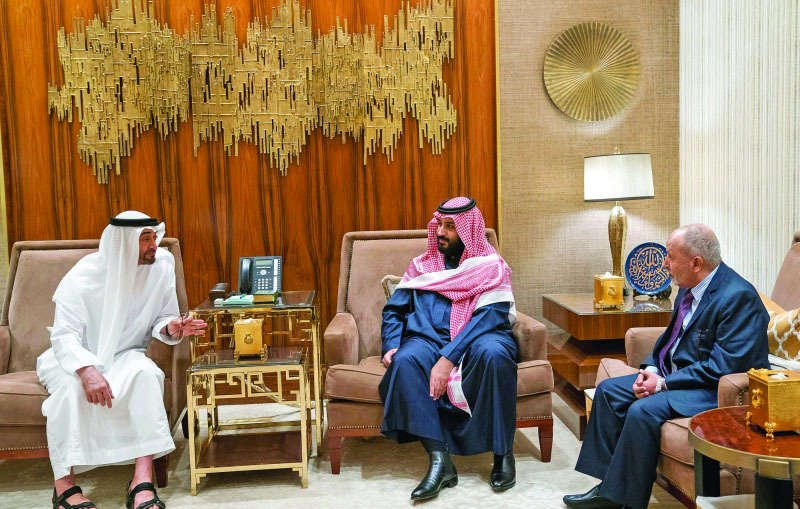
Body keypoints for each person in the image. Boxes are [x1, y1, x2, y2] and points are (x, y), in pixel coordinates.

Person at [563, 224, 769, 509]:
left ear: (696, 263)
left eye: (670, 257)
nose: (664, 264)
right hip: (677, 378)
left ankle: (624, 500)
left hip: (712, 390)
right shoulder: (688, 288)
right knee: (609, 392)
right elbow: (669, 340)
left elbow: (723, 367)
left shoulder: (738, 297)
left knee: (643, 410)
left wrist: (662, 384)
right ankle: (610, 488)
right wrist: (652, 370)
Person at [38, 211, 207, 509]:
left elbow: (164, 317)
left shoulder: (162, 265)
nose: (153, 245)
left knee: (146, 375)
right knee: (68, 391)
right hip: (75, 356)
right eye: (145, 239)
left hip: (126, 355)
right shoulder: (84, 275)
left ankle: (141, 482)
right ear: (123, 242)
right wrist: (86, 370)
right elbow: (64, 336)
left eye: (154, 237)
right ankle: (64, 487)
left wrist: (172, 327)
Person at [378, 196, 518, 501]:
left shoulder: (491, 267)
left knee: (495, 355)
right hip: (427, 340)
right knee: (406, 359)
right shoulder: (421, 267)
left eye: (450, 226)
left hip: (478, 339)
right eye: (439, 224)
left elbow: (490, 317)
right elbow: (394, 311)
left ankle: (503, 453)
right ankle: (440, 460)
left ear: (469, 230)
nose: (440, 232)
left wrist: (448, 358)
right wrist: (391, 344)